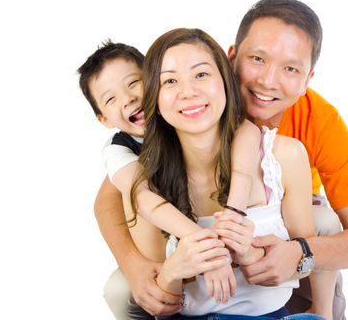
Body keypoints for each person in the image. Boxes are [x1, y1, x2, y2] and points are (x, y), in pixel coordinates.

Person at [95, 0, 348, 319]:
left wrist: (299, 252)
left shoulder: (311, 129)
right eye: (257, 59)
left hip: (285, 236)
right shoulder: (182, 117)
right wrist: (139, 267)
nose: (268, 81)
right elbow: (115, 199)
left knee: (324, 222)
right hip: (191, 270)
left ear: (307, 79)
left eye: (290, 68)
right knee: (121, 290)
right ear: (231, 59)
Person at [127, 27, 324, 318]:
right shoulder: (144, 184)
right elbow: (157, 303)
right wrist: (173, 270)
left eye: (202, 74)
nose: (188, 91)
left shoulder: (284, 157)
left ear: (225, 80)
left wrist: (250, 254)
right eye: (169, 80)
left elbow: (302, 263)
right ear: (154, 97)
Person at [78, 41, 264, 304]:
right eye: (111, 98)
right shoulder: (120, 149)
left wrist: (234, 213)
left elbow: (244, 127)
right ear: (104, 119)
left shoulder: (185, 110)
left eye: (133, 83)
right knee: (119, 292)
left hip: (228, 217)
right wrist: (204, 245)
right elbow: (136, 196)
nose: (129, 98)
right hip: (171, 239)